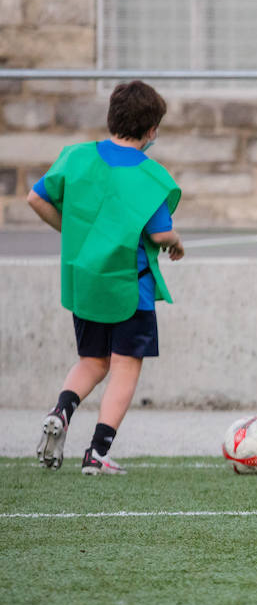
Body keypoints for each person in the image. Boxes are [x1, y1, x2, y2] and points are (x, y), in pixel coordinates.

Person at [28, 80, 185, 475]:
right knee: (125, 365)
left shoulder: (76, 158)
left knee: (91, 361)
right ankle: (97, 453)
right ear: (152, 131)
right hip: (129, 287)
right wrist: (176, 242)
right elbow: (160, 234)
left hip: (87, 281)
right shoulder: (151, 176)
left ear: (111, 118)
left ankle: (61, 412)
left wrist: (74, 232)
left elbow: (36, 197)